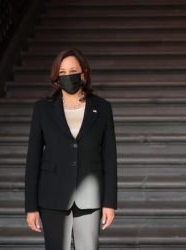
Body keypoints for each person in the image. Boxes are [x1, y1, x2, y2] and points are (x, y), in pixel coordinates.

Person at [25, 48, 117, 250]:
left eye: (73, 71)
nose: (68, 76)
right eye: (63, 72)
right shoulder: (42, 109)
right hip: (52, 196)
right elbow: (33, 160)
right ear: (56, 77)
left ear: (83, 73)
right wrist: (31, 207)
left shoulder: (102, 108)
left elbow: (109, 158)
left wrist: (110, 202)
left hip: (90, 197)